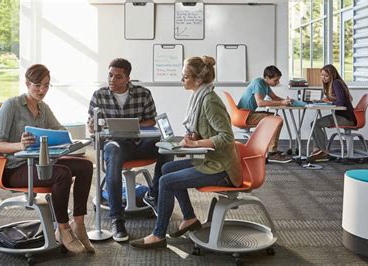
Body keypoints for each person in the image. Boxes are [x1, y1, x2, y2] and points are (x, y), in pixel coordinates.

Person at [130, 56, 242, 249]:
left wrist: (195, 143)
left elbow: (227, 138)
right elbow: (210, 130)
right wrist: (194, 136)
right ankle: (189, 217)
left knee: (166, 181)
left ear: (197, 80)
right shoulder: (199, 97)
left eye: (185, 77)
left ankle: (158, 235)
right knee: (167, 168)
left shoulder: (209, 101)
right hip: (209, 160)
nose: (182, 80)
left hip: (220, 168)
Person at [0, 64, 95, 253]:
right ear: (27, 83)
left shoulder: (43, 108)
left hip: (41, 164)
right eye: (37, 85)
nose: (42, 90)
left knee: (85, 166)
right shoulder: (11, 106)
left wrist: (59, 138)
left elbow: (61, 130)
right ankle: (63, 229)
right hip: (14, 169)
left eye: (46, 85)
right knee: (61, 174)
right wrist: (20, 145)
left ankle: (78, 224)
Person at [87, 58, 173, 242]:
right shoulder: (99, 95)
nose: (112, 80)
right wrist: (92, 126)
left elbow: (151, 119)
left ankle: (153, 194)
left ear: (128, 78)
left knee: (166, 147)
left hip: (140, 143)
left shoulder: (143, 93)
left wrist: (135, 126)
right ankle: (117, 218)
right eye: (110, 75)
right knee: (114, 153)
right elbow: (91, 125)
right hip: (115, 144)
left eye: (118, 77)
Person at [236, 65, 293, 163]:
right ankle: (272, 153)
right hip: (244, 116)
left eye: (278, 80)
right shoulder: (258, 83)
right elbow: (260, 103)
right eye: (275, 80)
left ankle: (272, 151)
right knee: (276, 120)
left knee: (277, 118)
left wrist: (286, 100)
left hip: (247, 114)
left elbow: (274, 97)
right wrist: (281, 103)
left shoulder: (265, 85)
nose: (278, 82)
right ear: (267, 78)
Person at [308, 64, 356, 162]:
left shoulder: (336, 83)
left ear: (332, 75)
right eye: (322, 75)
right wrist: (325, 101)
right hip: (341, 116)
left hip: (346, 118)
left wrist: (328, 102)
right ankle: (317, 150)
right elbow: (336, 100)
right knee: (314, 124)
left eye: (326, 76)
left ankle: (323, 151)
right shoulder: (332, 84)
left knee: (315, 124)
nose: (323, 78)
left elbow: (340, 102)